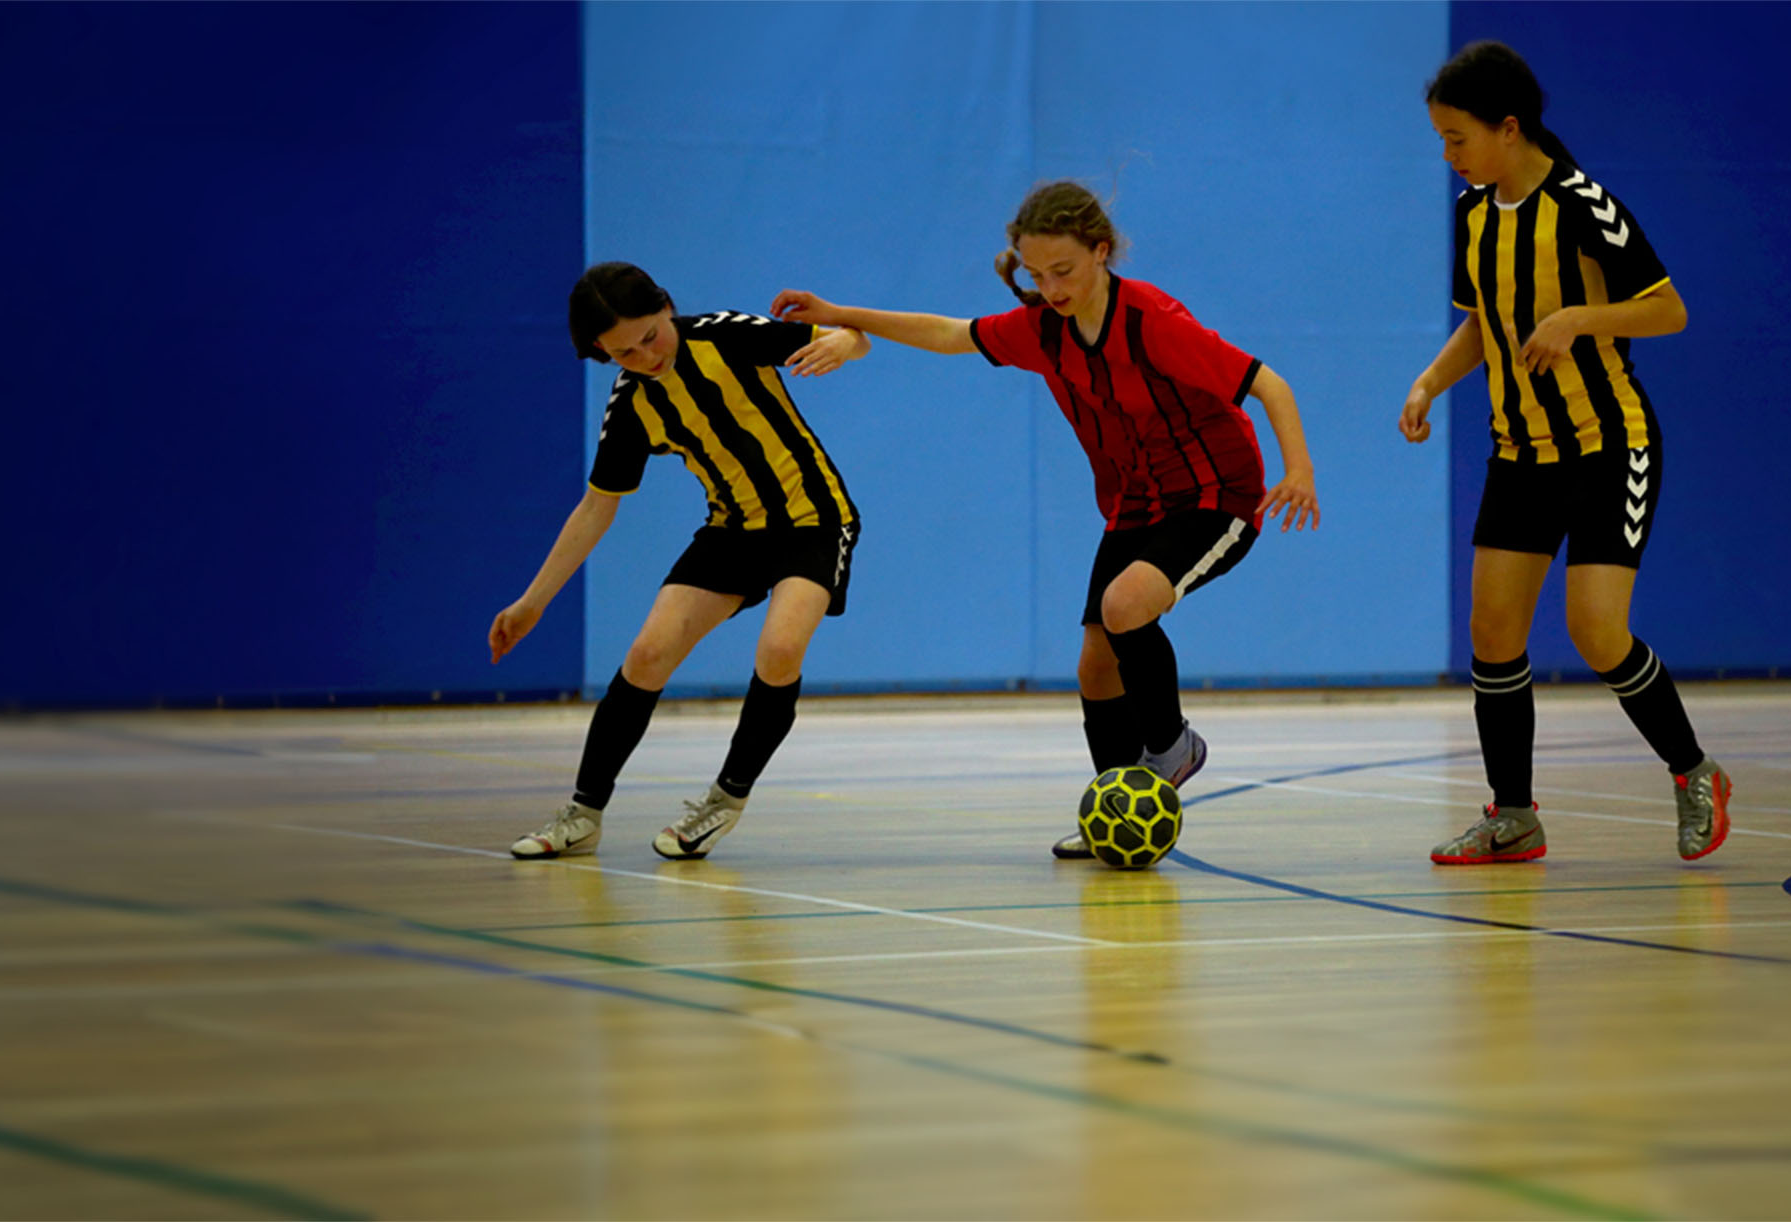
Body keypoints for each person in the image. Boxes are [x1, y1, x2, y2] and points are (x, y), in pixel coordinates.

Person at [772, 180, 1320, 860]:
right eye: (1036, 274)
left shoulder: (1152, 322)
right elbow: (948, 334)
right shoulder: (1042, 332)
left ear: (1101, 252)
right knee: (1095, 666)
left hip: (1217, 494)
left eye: (1063, 271)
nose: (1051, 287)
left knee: (1125, 606)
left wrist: (1298, 471)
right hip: (1135, 504)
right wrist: (838, 310)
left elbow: (1269, 383)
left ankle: (1173, 747)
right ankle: (1117, 811)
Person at [1403, 41, 1731, 865]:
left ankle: (1694, 773)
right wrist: (1429, 384)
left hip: (1607, 446)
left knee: (1595, 631)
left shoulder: (1585, 204)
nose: (1448, 156)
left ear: (1508, 129)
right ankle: (1513, 815)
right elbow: (1482, 324)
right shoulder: (1474, 215)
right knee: (1493, 633)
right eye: (1441, 140)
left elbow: (1669, 310)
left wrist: (1581, 318)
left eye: (1457, 138)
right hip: (1520, 453)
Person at [487, 261, 871, 861]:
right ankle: (583, 814)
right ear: (600, 352)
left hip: (815, 521)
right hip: (732, 530)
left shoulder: (724, 334)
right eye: (624, 352)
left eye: (650, 335)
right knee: (645, 655)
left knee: (779, 648)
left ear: (666, 307)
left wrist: (842, 344)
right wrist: (532, 602)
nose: (646, 355)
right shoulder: (632, 404)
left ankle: (726, 797)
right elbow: (595, 508)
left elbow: (852, 336)